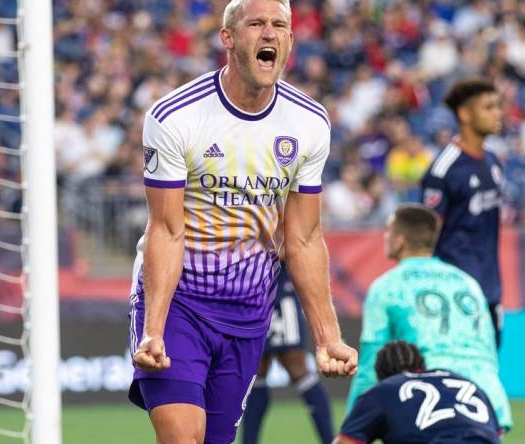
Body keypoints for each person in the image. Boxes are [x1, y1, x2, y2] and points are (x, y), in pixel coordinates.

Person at [126, 0, 358, 443]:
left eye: (280, 25)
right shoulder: (176, 117)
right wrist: (154, 327)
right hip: (181, 305)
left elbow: (305, 239)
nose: (269, 33)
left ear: (290, 39)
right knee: (182, 437)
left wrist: (328, 337)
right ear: (228, 38)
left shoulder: (309, 123)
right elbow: (167, 229)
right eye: (256, 24)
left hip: (250, 313)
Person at [345, 203, 512, 430]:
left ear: (399, 240)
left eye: (388, 232)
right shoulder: (468, 283)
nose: (385, 237)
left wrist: (352, 423)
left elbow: (370, 364)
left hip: (433, 402)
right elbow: (488, 352)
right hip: (487, 402)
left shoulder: (387, 287)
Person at [420, 78, 506, 347]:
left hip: (491, 289)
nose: (498, 113)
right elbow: (425, 236)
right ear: (465, 114)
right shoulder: (443, 169)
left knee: (489, 370)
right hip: (455, 293)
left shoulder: (492, 162)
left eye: (497, 106)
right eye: (489, 107)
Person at [336, 341, 502, 444]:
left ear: (381, 376)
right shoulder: (466, 382)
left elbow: (347, 442)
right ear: (421, 366)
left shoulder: (383, 390)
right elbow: (496, 435)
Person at [241, 263, 334, 444]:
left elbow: (290, 245)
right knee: (256, 370)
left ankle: (330, 440)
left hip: (279, 293)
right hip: (251, 293)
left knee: (296, 365)